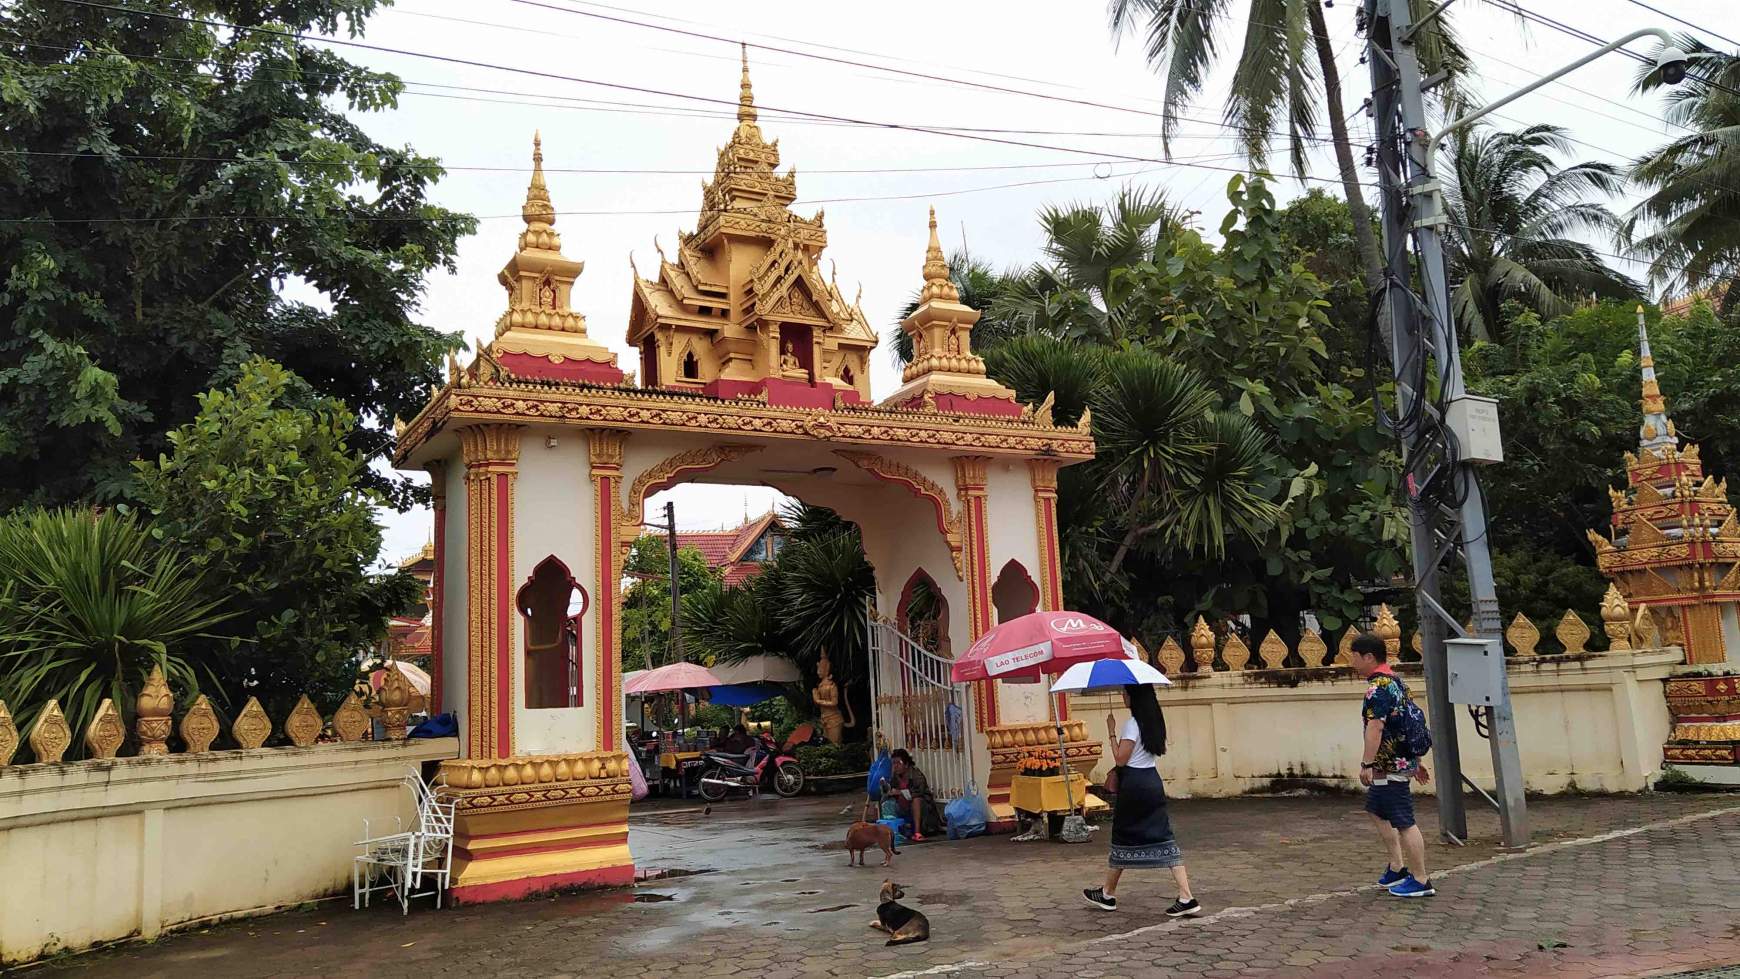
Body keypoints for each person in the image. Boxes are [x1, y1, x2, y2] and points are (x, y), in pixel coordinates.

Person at [1083, 684, 1200, 918]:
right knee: (1163, 834)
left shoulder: (1133, 725)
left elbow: (1121, 759)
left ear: (1133, 698)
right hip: (1151, 780)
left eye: (1125, 693)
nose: (1122, 696)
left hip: (1134, 784)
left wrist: (1111, 732)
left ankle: (1108, 893)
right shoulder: (1155, 722)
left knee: (1123, 834)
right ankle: (1185, 894)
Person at [1350, 631, 1436, 898]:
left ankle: (1421, 879)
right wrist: (1415, 761)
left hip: (1388, 764)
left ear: (1368, 657)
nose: (1352, 663)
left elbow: (1375, 728)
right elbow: (1409, 722)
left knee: (1403, 820)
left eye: (1354, 658)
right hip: (1398, 760)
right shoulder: (1397, 682)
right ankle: (1397, 866)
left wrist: (1367, 763)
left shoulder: (1378, 688)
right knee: (1376, 809)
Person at [889, 748, 941, 841]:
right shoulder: (895, 776)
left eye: (898, 763)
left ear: (906, 764)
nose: (895, 766)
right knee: (887, 802)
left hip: (923, 810)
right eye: (893, 763)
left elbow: (919, 793)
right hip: (904, 807)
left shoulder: (916, 775)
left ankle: (917, 832)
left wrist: (901, 792)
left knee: (916, 800)